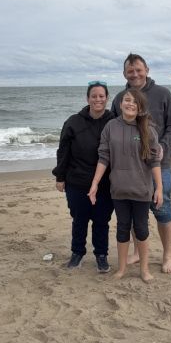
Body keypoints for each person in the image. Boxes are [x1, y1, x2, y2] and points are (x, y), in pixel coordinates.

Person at [111, 53, 171, 273]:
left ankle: (167, 256)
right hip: (130, 169)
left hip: (159, 164)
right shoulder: (119, 98)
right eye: (130, 71)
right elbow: (113, 129)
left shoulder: (163, 94)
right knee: (134, 212)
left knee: (162, 208)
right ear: (124, 74)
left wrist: (163, 145)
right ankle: (136, 252)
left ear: (147, 70)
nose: (135, 74)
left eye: (138, 70)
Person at [88, 88, 162, 282]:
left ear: (140, 107)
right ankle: (121, 269)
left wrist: (159, 188)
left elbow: (154, 162)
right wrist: (95, 183)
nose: (130, 104)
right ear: (120, 104)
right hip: (119, 190)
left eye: (135, 102)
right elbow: (103, 157)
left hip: (141, 190)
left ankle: (144, 269)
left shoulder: (147, 129)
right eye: (127, 100)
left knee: (141, 229)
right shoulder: (110, 127)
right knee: (122, 228)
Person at [53, 81, 115, 272]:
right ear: (87, 98)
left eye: (101, 96)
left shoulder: (114, 121)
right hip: (77, 181)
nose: (98, 99)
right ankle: (77, 253)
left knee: (101, 221)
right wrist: (60, 177)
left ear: (107, 98)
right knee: (79, 219)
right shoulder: (73, 122)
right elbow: (63, 151)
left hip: (105, 183)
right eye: (94, 96)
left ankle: (101, 255)